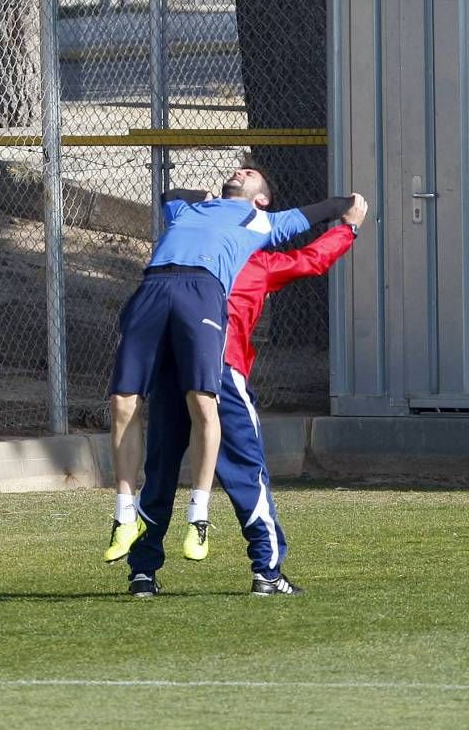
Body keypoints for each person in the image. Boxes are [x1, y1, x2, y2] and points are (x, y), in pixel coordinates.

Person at [105, 155, 357, 565]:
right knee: (168, 466)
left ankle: (260, 565)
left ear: (262, 201)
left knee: (235, 469)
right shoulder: (196, 225)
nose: (239, 173)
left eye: (251, 173)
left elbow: (310, 258)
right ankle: (144, 569)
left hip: (219, 370)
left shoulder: (260, 255)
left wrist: (348, 227)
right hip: (177, 361)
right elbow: (171, 197)